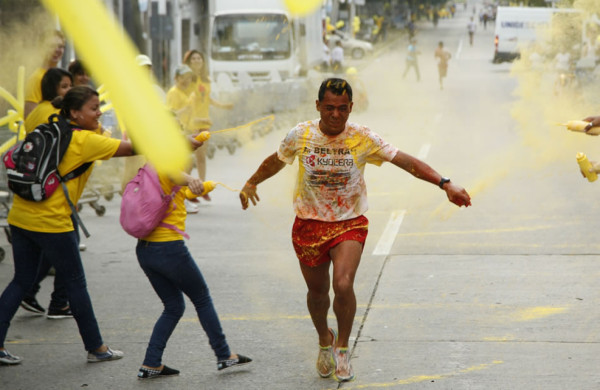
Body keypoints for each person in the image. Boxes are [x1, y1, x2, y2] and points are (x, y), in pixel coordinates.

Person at [239, 78, 471, 382]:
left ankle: (344, 349)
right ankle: (325, 339)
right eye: (330, 108)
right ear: (318, 105)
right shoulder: (301, 134)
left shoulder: (362, 137)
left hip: (349, 223)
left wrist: (445, 183)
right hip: (308, 224)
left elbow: (405, 161)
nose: (336, 115)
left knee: (344, 284)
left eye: (343, 109)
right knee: (318, 293)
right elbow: (277, 160)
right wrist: (252, 181)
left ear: (351, 108)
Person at [0, 86, 137, 366]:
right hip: (53, 223)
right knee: (76, 284)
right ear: (75, 112)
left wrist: (98, 126)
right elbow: (136, 148)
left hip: (21, 217)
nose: (100, 113)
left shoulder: (51, 128)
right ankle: (96, 347)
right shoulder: (84, 140)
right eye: (94, 108)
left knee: (21, 280)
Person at [134, 166, 252, 379]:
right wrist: (191, 178)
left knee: (173, 306)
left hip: (145, 250)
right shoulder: (163, 160)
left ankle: (151, 363)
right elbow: (171, 171)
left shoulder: (147, 173)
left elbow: (179, 192)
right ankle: (224, 354)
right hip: (169, 249)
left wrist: (205, 186)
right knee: (202, 298)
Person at [20, 68, 74, 318]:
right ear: (53, 89)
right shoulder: (55, 114)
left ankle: (32, 291)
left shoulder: (37, 112)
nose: (69, 91)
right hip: (54, 192)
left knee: (49, 253)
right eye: (64, 87)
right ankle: (59, 301)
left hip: (36, 188)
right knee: (69, 255)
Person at [183, 50, 233, 202]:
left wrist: (223, 106)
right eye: (194, 59)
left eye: (199, 58)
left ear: (203, 62)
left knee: (201, 157)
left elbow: (208, 98)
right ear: (189, 62)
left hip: (205, 122)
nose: (197, 61)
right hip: (192, 122)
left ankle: (201, 188)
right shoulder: (186, 80)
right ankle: (188, 189)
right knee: (188, 159)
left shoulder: (206, 79)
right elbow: (186, 102)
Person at [165, 64, 199, 214]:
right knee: (183, 166)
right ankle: (180, 199)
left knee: (186, 165)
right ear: (176, 78)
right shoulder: (174, 93)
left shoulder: (184, 93)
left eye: (188, 78)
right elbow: (171, 115)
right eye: (182, 77)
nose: (186, 80)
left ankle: (180, 198)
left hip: (184, 132)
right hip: (176, 135)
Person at [24, 30, 66, 118]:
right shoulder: (37, 78)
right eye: (51, 46)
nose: (57, 50)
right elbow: (30, 117)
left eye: (60, 46)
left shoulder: (63, 77)